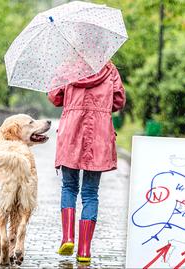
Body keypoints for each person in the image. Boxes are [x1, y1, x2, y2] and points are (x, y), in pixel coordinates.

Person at [47, 61, 126, 263]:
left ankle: (67, 238)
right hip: (98, 135)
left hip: (71, 131)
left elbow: (55, 97)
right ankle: (84, 251)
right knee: (91, 193)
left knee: (69, 186)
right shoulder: (110, 69)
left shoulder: (67, 67)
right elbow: (118, 102)